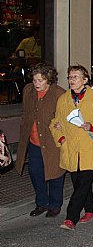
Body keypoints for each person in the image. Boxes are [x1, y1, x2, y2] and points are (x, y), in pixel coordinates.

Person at [49, 65, 93, 230]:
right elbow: (55, 123)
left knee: (83, 184)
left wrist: (91, 125)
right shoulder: (63, 99)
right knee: (79, 184)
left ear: (85, 80)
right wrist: (60, 137)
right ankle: (91, 210)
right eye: (70, 77)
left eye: (75, 77)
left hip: (89, 148)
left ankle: (71, 217)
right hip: (71, 149)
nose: (71, 80)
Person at [15, 63, 66, 217]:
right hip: (34, 141)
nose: (36, 83)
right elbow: (25, 111)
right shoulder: (28, 90)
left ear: (49, 80)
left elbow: (66, 117)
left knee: (55, 173)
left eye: (40, 80)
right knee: (35, 173)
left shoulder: (59, 94)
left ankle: (55, 204)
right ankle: (41, 203)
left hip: (52, 142)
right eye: (35, 80)